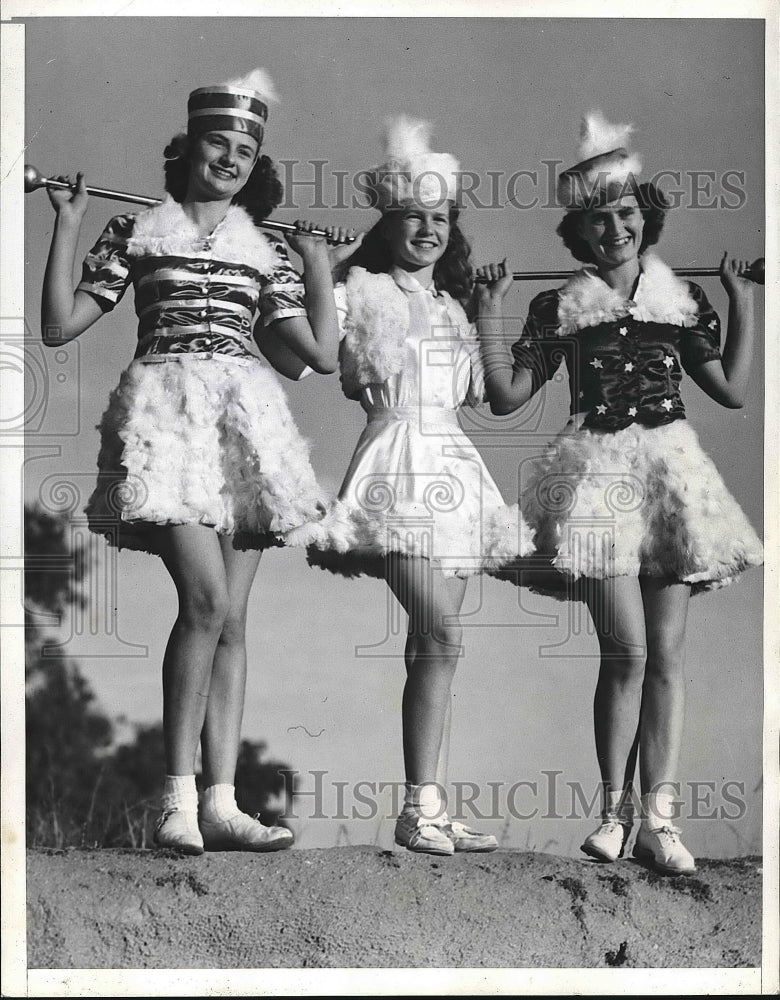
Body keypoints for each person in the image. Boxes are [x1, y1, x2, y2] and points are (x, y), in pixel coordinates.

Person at [40, 69, 348, 855]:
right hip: (166, 418)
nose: (233, 157)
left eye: (247, 148)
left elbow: (311, 355)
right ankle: (175, 801)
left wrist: (316, 269)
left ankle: (220, 803)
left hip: (244, 425)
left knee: (233, 619)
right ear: (188, 148)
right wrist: (69, 223)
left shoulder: (265, 248)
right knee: (206, 603)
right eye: (221, 141)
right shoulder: (136, 232)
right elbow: (59, 327)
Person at [474, 112, 763, 875]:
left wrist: (742, 303)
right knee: (626, 651)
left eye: (627, 215)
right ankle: (611, 813)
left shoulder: (680, 299)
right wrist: (490, 312)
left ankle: (660, 822)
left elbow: (731, 390)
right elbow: (504, 396)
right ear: (580, 232)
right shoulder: (558, 307)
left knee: (666, 655)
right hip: (598, 478)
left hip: (670, 476)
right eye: (599, 221)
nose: (615, 232)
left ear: (647, 218)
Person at [292, 116, 535, 855]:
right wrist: (318, 267)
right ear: (388, 221)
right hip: (394, 462)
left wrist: (490, 315)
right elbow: (317, 359)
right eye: (413, 217)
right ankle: (418, 807)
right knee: (442, 632)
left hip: (455, 471)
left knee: (435, 649)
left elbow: (485, 398)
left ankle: (429, 801)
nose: (427, 229)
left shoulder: (458, 308)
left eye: (440, 218)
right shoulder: (360, 286)